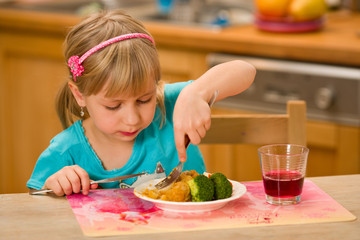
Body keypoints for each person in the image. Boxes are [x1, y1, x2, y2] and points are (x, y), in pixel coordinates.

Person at [26, 10, 256, 196]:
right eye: (114, 106)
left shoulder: (169, 103)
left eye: (144, 99)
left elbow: (246, 71)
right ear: (79, 95)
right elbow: (35, 205)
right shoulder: (65, 151)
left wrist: (196, 93)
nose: (132, 119)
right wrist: (55, 186)